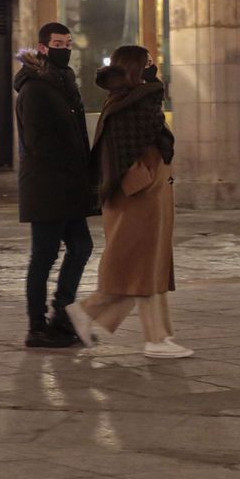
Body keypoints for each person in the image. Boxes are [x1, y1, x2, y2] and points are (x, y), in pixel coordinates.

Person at [65, 46, 190, 358]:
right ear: (134, 67)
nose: (153, 66)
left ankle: (154, 335)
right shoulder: (130, 103)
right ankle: (144, 335)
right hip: (137, 197)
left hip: (148, 194)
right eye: (147, 62)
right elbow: (117, 152)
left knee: (148, 267)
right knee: (139, 267)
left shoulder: (136, 98)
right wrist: (144, 179)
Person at [14, 22, 94, 348]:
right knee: (44, 257)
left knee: (82, 246)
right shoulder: (35, 88)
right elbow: (38, 143)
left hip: (69, 184)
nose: (65, 49)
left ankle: (63, 313)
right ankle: (36, 327)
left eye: (68, 43)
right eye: (58, 44)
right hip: (47, 186)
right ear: (43, 47)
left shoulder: (64, 81)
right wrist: (69, 167)